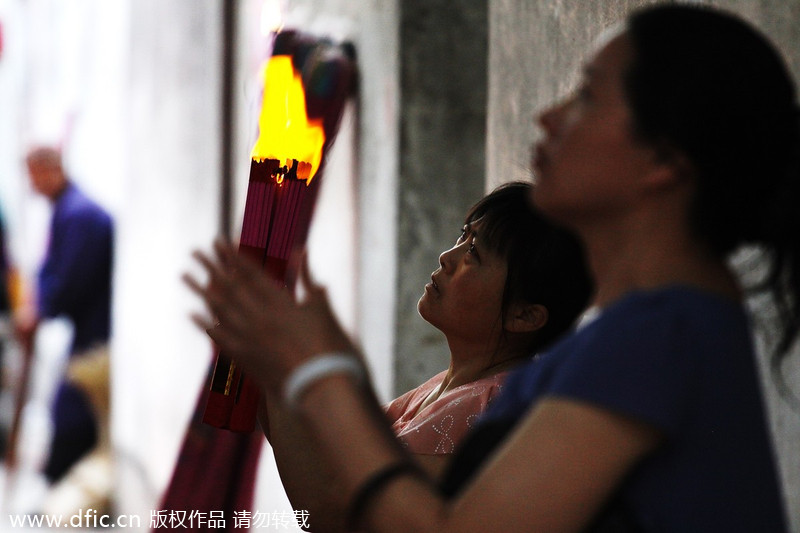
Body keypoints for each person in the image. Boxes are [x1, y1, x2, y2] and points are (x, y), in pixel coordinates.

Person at [187, 4, 796, 531]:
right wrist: (292, 371)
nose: (549, 118)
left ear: (664, 161)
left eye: (586, 96)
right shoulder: (641, 330)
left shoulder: (663, 334)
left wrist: (318, 374)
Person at [16, 146, 114, 483]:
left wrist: (41, 310)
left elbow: (69, 280)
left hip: (97, 330)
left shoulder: (79, 215)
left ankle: (63, 489)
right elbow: (50, 270)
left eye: (34, 176)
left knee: (73, 411)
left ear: (48, 170)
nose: (32, 186)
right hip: (87, 327)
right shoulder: (66, 211)